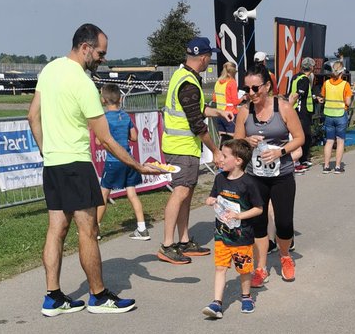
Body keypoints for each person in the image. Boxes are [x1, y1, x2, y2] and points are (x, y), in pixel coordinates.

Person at [28, 22, 139, 315]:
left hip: (53, 163)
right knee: (88, 229)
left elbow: (32, 116)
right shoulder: (83, 83)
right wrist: (136, 165)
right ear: (86, 47)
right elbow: (104, 137)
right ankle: (99, 296)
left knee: (56, 229)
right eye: (101, 53)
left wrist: (46, 150)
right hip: (76, 163)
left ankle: (52, 297)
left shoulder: (49, 70)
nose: (103, 59)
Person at [233, 61, 304, 287]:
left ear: (266, 87)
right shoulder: (245, 111)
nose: (251, 93)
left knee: (284, 223)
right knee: (259, 223)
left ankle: (284, 256)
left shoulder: (282, 108)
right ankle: (261, 267)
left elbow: (300, 138)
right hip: (255, 176)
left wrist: (280, 151)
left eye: (255, 88)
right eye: (247, 89)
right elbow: (236, 142)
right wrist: (246, 141)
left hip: (281, 174)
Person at [157, 37, 222, 266]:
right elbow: (197, 123)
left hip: (182, 147)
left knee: (187, 193)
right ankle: (167, 245)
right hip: (181, 148)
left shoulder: (181, 74)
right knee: (181, 192)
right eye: (209, 57)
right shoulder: (189, 83)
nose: (209, 61)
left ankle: (183, 240)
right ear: (204, 58)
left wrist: (219, 112)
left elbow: (196, 109)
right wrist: (215, 150)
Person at [201, 139, 264, 319]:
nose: (220, 158)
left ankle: (246, 297)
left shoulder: (249, 183)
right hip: (221, 235)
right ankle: (217, 303)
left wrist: (239, 216)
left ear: (238, 161)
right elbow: (212, 196)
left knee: (244, 270)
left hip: (242, 237)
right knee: (220, 268)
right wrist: (210, 200)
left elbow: (258, 208)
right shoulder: (219, 178)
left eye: (224, 155)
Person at [96, 83, 161, 241]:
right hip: (130, 161)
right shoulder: (125, 116)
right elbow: (134, 137)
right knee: (132, 193)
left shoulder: (104, 118)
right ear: (120, 98)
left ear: (103, 100)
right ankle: (142, 228)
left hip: (113, 161)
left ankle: (94, 229)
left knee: (103, 194)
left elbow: (99, 141)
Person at [319, 60, 352, 173]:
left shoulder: (326, 83)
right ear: (342, 72)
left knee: (329, 141)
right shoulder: (345, 85)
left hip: (329, 115)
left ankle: (326, 166)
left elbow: (322, 97)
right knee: (340, 141)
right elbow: (347, 102)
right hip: (340, 115)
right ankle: (338, 166)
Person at [290, 56, 316, 171]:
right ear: (311, 68)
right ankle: (301, 160)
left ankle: (300, 159)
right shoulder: (305, 79)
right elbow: (297, 94)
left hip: (297, 110)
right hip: (302, 112)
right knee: (305, 136)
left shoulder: (295, 77)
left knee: (299, 135)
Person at [212, 61, 240, 142]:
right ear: (233, 72)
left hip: (220, 113)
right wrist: (243, 98)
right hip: (230, 114)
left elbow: (214, 99)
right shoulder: (232, 82)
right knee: (232, 139)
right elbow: (235, 102)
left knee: (222, 139)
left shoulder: (218, 82)